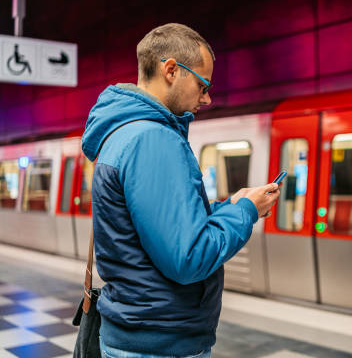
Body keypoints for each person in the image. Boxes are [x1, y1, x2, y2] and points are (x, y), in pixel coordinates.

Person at [81, 23, 280, 357]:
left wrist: (229, 205)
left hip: (141, 332)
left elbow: (160, 228)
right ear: (171, 70)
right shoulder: (153, 139)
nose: (207, 97)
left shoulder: (122, 133)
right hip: (159, 341)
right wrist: (246, 212)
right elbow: (188, 258)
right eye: (202, 84)